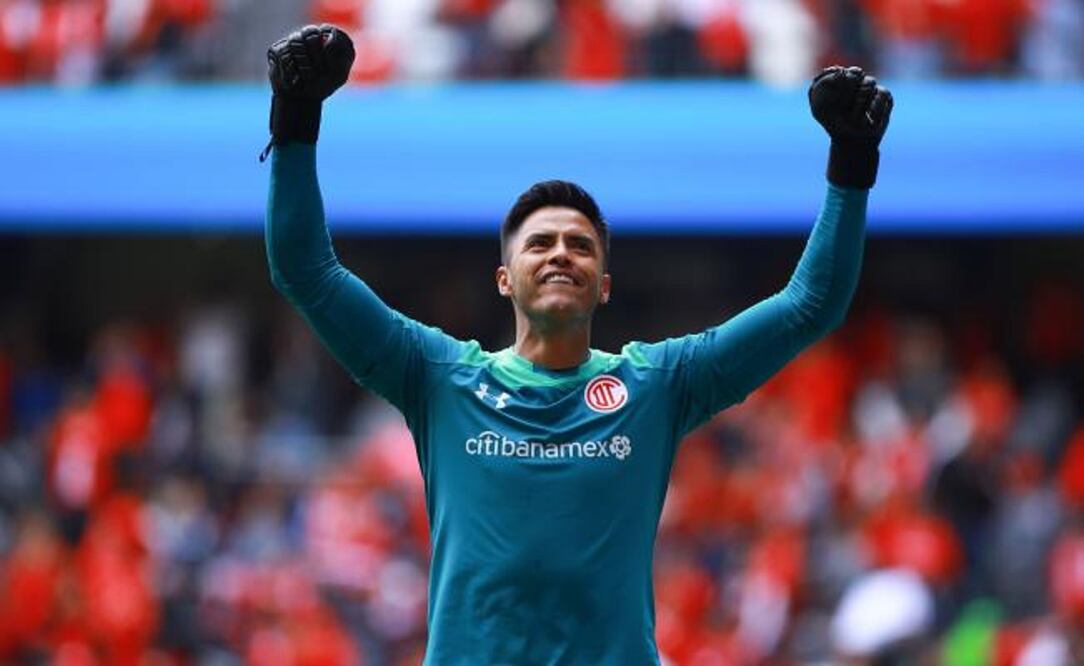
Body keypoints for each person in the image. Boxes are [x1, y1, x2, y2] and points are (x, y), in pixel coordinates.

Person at [263, 24, 893, 666]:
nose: (561, 252)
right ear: (505, 280)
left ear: (604, 286)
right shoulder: (437, 376)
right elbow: (305, 270)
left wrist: (852, 164)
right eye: (540, 243)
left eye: (581, 245)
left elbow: (811, 305)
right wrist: (295, 118)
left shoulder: (658, 385)